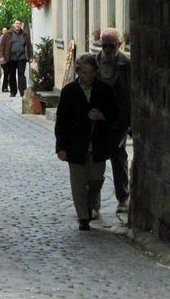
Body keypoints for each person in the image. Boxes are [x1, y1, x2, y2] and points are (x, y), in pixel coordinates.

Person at [55, 53, 119, 230]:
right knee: (78, 183)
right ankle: (83, 217)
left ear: (95, 72)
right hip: (75, 145)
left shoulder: (104, 90)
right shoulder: (69, 91)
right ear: (78, 72)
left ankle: (90, 204)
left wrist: (102, 116)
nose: (87, 76)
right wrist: (60, 146)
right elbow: (61, 120)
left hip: (98, 144)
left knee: (96, 179)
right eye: (84, 72)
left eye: (91, 72)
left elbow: (115, 115)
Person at [95, 27, 131, 214]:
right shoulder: (93, 63)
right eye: (105, 45)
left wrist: (130, 122)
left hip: (118, 121)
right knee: (95, 160)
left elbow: (131, 95)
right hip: (97, 121)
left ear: (119, 44)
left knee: (118, 157)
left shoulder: (126, 64)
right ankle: (94, 201)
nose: (108, 49)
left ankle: (123, 197)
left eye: (112, 46)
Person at [0, 19, 33, 98]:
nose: (18, 25)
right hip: (11, 57)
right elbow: (2, 46)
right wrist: (1, 56)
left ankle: (23, 92)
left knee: (21, 74)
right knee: (12, 75)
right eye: (16, 23)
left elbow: (29, 46)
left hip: (22, 57)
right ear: (14, 24)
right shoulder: (8, 34)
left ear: (21, 25)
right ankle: (13, 91)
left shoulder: (25, 34)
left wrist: (30, 56)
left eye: (19, 24)